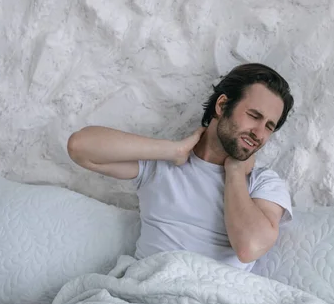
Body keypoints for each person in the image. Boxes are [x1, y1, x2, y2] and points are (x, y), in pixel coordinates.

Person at [67, 63, 294, 272]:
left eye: (269, 127)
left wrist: (234, 170)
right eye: (254, 116)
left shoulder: (263, 183)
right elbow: (80, 147)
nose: (259, 133)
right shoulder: (160, 165)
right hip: (146, 293)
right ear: (222, 105)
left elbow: (249, 248)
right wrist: (172, 151)